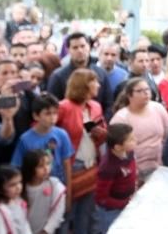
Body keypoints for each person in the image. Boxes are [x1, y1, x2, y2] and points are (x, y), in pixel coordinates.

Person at [57, 69, 107, 234]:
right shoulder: (64, 107)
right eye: (95, 81)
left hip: (92, 165)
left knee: (86, 215)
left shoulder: (96, 106)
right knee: (66, 213)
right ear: (84, 85)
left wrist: (100, 134)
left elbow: (102, 133)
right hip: (71, 167)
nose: (98, 85)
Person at [110, 77, 168, 182]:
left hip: (162, 165)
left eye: (147, 89)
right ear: (129, 95)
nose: (146, 93)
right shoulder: (121, 118)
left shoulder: (158, 108)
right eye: (140, 91)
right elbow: (117, 151)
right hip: (137, 171)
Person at [11, 93, 74, 187]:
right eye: (48, 113)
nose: (53, 118)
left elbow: (67, 164)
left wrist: (68, 194)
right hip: (35, 187)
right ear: (36, 116)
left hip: (58, 185)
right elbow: (19, 167)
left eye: (55, 113)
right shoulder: (25, 139)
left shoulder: (62, 135)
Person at [47, 32, 113, 117]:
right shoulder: (58, 76)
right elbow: (52, 105)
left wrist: (102, 124)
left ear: (89, 47)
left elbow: (109, 103)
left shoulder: (101, 73)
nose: (80, 50)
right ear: (68, 50)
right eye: (75, 47)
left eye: (83, 46)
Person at [95, 123, 137, 233]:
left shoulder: (129, 153)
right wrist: (122, 203)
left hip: (127, 203)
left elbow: (131, 172)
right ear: (118, 147)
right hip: (111, 211)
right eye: (131, 139)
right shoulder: (107, 168)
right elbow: (101, 198)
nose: (135, 140)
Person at [21, 149, 66, 234]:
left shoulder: (54, 185)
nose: (46, 168)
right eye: (40, 166)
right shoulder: (21, 187)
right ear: (30, 168)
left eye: (48, 164)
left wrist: (46, 230)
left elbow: (58, 212)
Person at [0, 164, 31, 234]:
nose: (18, 187)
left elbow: (25, 226)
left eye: (20, 182)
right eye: (12, 185)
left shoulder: (19, 202)